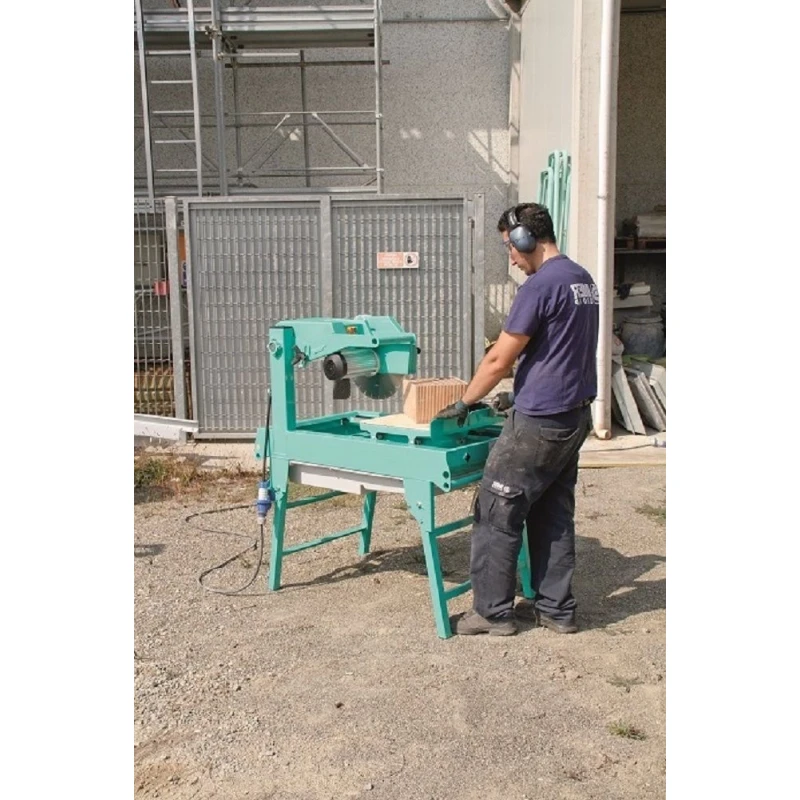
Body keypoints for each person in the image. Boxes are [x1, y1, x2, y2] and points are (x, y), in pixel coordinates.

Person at [434, 202, 599, 636]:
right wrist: (518, 393)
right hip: (573, 415)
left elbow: (498, 359)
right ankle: (556, 610)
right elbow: (560, 350)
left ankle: (491, 613)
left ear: (527, 239)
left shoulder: (539, 286)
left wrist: (466, 401)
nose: (510, 257)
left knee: (496, 511)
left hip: (540, 423)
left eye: (510, 246)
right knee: (552, 513)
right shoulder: (582, 279)